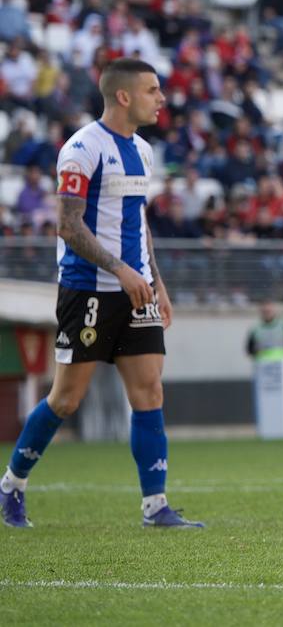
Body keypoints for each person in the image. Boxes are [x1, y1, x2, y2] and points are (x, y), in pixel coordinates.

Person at [2, 58, 203, 529]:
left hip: (137, 291)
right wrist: (120, 270)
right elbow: (68, 225)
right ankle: (12, 483)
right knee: (66, 399)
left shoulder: (145, 152)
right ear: (124, 96)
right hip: (88, 288)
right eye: (153, 90)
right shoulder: (81, 149)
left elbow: (138, 222)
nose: (162, 98)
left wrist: (156, 281)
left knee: (150, 390)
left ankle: (155, 506)